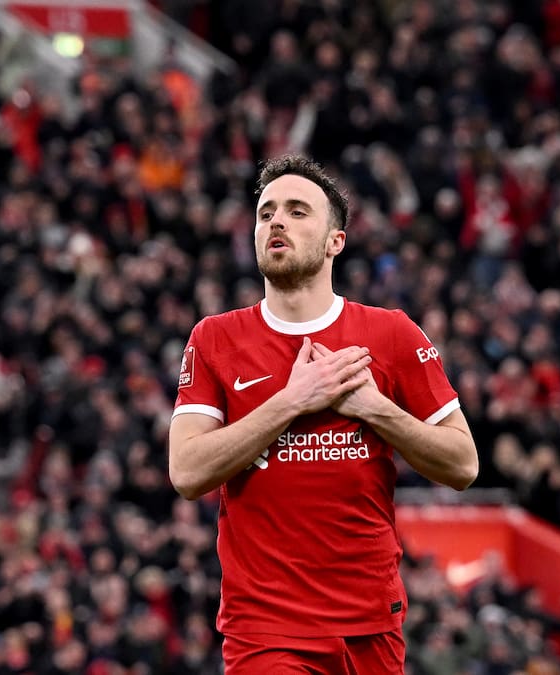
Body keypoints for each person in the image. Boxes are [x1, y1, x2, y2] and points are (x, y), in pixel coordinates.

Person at [168, 154, 480, 673]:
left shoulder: (391, 334)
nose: (277, 222)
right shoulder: (215, 338)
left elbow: (463, 464)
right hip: (266, 631)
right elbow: (186, 471)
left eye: (297, 211)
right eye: (266, 213)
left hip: (371, 623)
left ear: (336, 241)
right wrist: (293, 400)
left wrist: (375, 409)